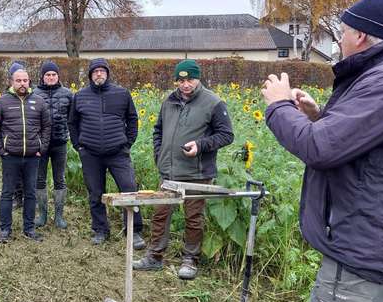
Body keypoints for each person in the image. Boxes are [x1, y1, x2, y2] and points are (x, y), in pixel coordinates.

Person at [261, 0, 383, 302]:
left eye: (342, 32)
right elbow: (378, 144)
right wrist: (322, 116)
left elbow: (320, 148)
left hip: (363, 249)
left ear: (361, 36)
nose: (340, 41)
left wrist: (278, 105)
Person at [133, 59, 233, 279]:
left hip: (197, 174)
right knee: (160, 214)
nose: (185, 84)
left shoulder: (213, 103)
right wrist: (159, 155)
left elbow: (227, 135)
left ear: (198, 79)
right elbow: (158, 130)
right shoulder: (169, 101)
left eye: (190, 80)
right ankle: (154, 257)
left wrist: (200, 146)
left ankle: (190, 260)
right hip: (169, 172)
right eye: (181, 80)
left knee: (193, 217)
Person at [68, 58, 143, 246]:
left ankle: (133, 232)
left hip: (118, 152)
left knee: (129, 189)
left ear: (107, 74)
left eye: (102, 71)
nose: (99, 74)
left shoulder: (122, 94)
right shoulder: (80, 96)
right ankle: (100, 230)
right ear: (90, 75)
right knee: (95, 193)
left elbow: (132, 119)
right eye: (95, 71)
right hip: (91, 153)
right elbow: (72, 122)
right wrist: (79, 146)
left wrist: (128, 142)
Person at [0, 63, 51, 243]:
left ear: (29, 81)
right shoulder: (2, 102)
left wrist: (42, 148)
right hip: (11, 156)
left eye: (25, 80)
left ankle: (29, 229)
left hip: (32, 156)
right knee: (7, 192)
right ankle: (5, 230)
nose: (22, 83)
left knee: (30, 193)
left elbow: (47, 126)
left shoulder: (38, 101)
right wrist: (1, 149)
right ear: (11, 82)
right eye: (18, 80)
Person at [33, 60, 72, 229]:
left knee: (60, 180)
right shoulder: (33, 94)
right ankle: (42, 214)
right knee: (39, 180)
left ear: (58, 76)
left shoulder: (68, 94)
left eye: (53, 75)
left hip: (60, 143)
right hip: (40, 144)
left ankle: (59, 216)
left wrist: (70, 134)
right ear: (42, 77)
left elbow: (74, 118)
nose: (51, 77)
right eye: (47, 75)